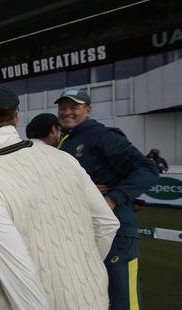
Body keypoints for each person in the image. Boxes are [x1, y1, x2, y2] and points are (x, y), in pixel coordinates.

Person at [0, 85, 119, 310]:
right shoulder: (65, 159)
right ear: (16, 118)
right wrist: (77, 274)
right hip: (94, 298)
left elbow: (16, 272)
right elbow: (107, 223)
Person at [55, 88, 159, 310]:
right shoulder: (66, 139)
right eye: (63, 107)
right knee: (95, 297)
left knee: (122, 301)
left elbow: (147, 169)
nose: (66, 112)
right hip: (85, 230)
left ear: (88, 110)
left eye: (74, 107)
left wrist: (113, 198)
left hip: (116, 231)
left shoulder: (101, 135)